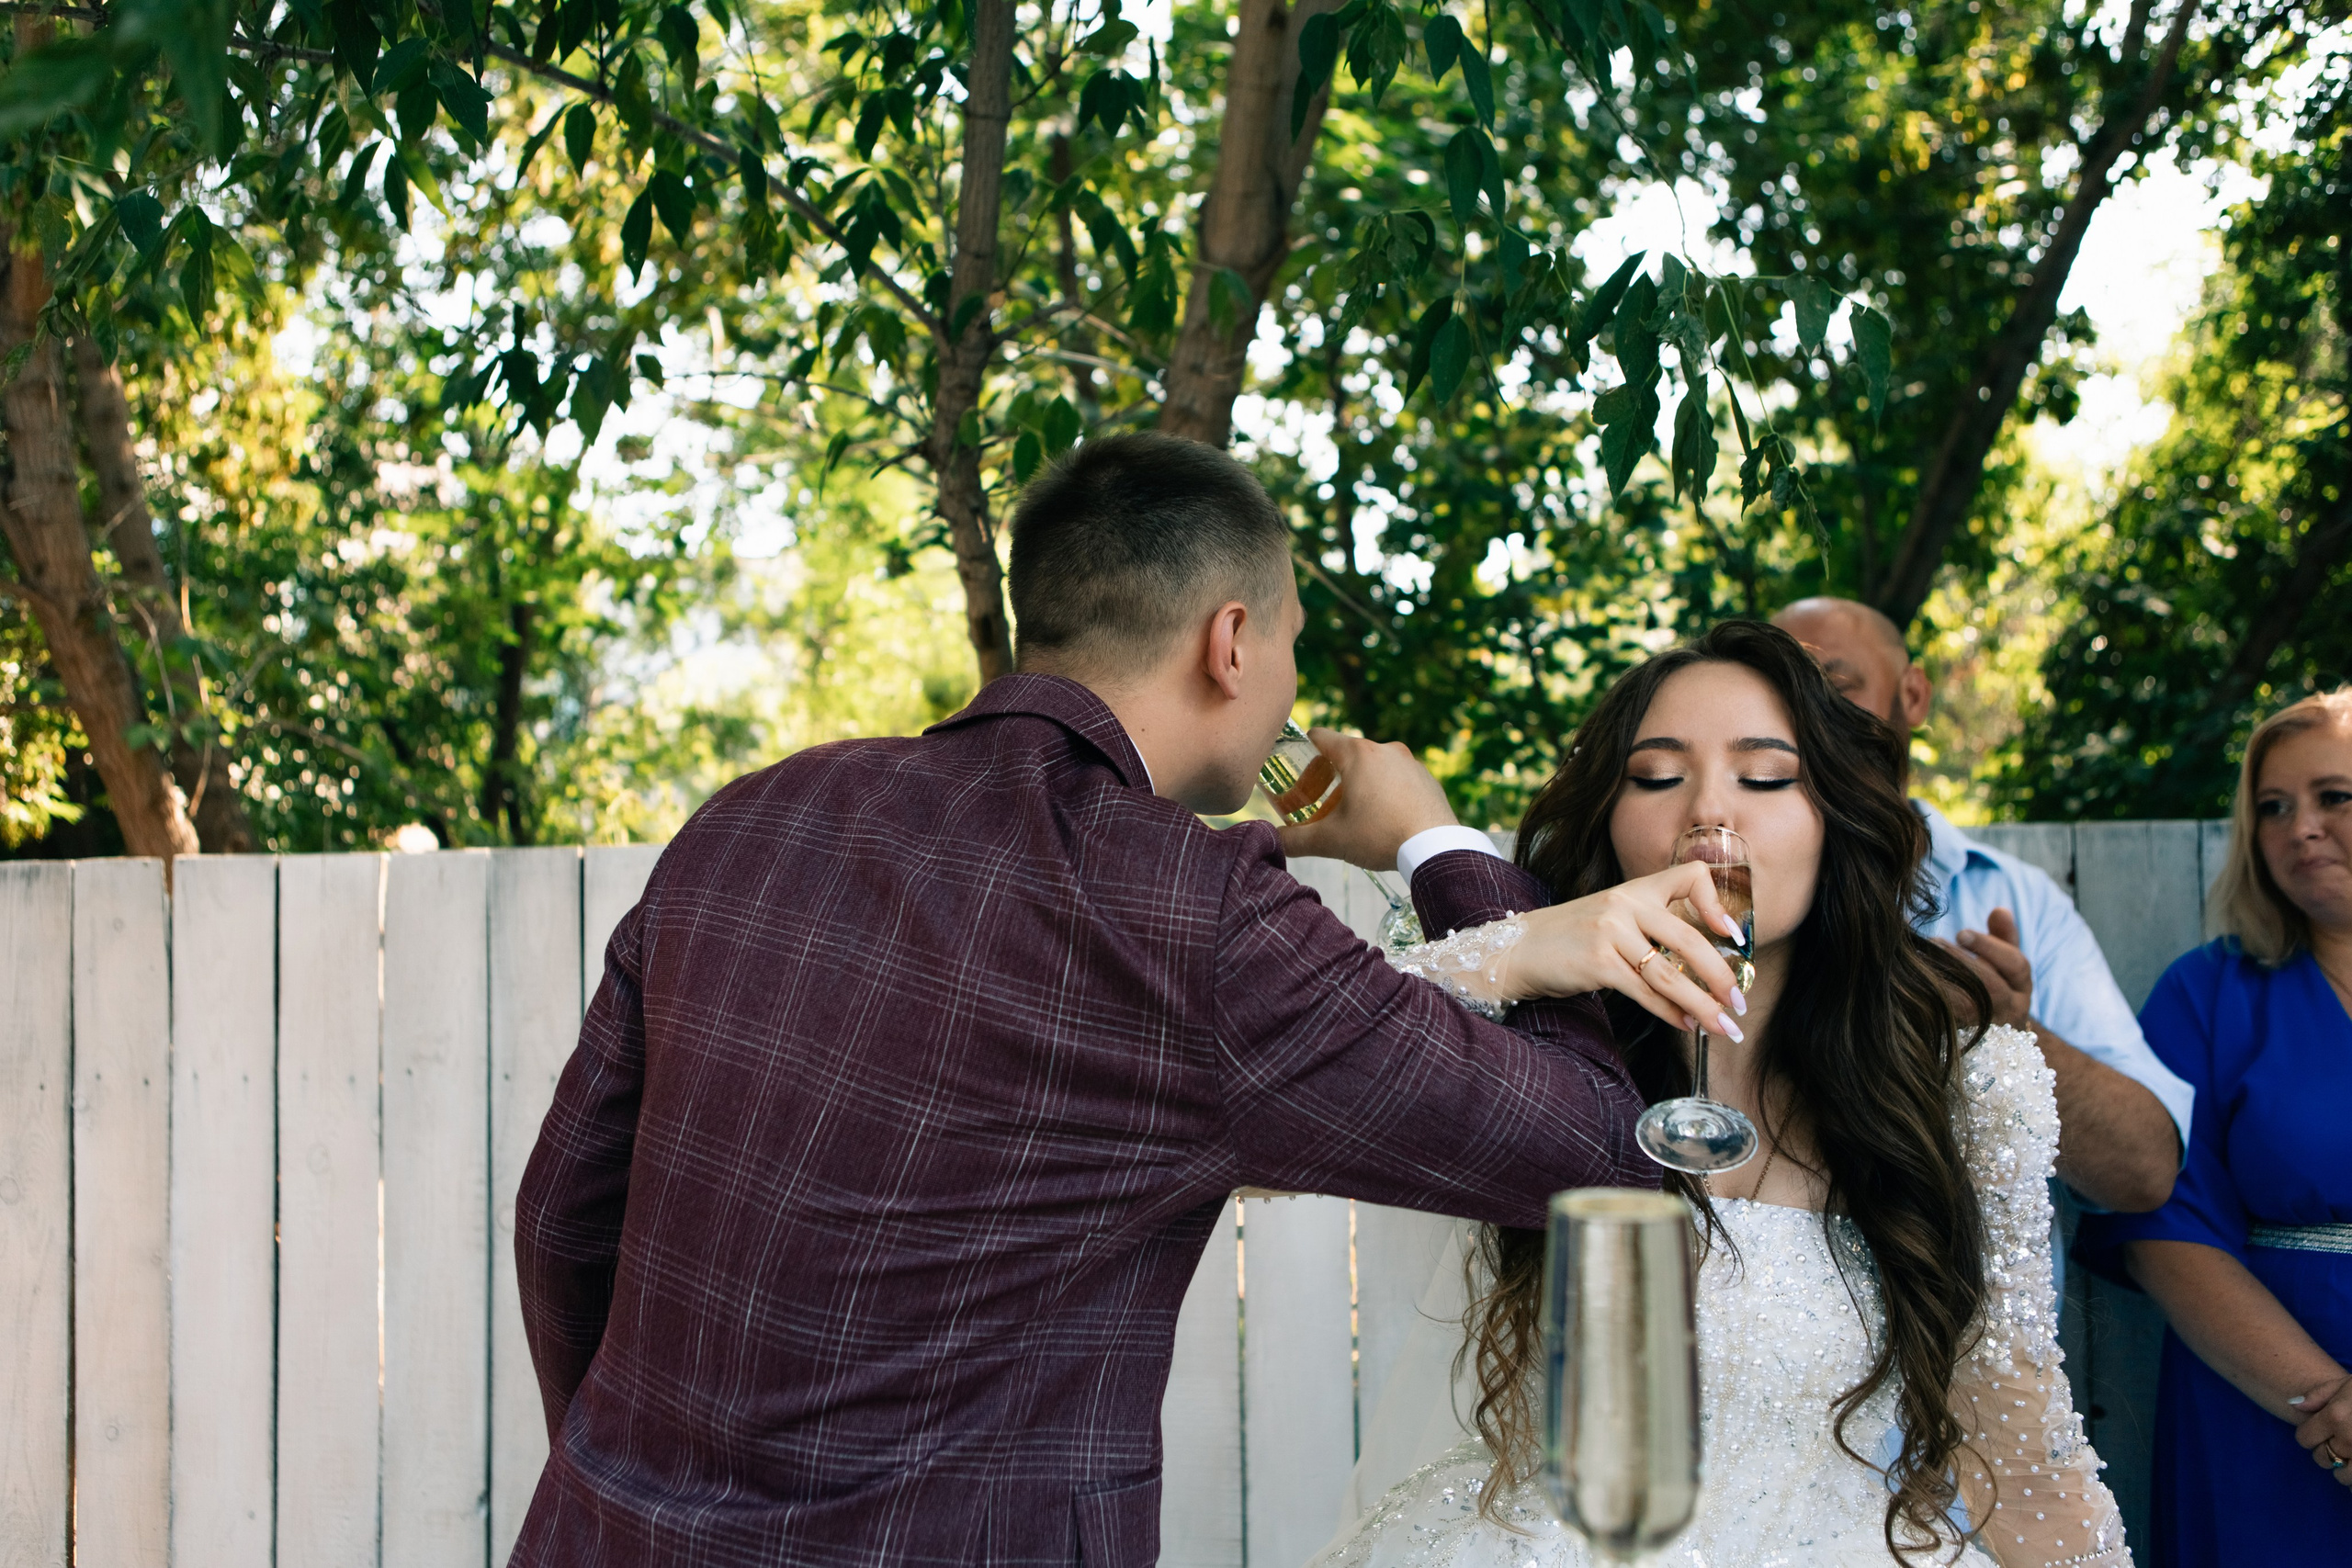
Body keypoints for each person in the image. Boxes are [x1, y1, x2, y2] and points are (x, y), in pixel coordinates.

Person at [503, 434, 1750, 1567]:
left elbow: (564, 1211)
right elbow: (1603, 1150)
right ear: (1232, 642)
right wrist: (1437, 844)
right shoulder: (1194, 912)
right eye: (1294, 636)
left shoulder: (752, 816)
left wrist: (632, 1481)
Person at [1297, 620, 2127, 1568]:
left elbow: (2020, 1453)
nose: (1707, 814)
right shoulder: (1512, 1036)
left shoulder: (1965, 1090)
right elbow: (1293, 1086)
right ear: (1608, 821)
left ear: (1835, 820)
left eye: (1765, 777)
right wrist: (1499, 923)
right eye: (1656, 777)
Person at [1770, 596, 2190, 1215]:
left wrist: (2008, 1032)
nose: (1808, 721)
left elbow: (2145, 1171)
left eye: (1836, 686)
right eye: (1781, 703)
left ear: (1912, 694)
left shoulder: (2022, 901)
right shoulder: (1728, 895)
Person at [2075, 688, 2352, 1566]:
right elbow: (2165, 1224)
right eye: (2273, 807)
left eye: (2332, 797)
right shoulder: (2208, 992)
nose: (2299, 827)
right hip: (2265, 1414)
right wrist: (2328, 1403)